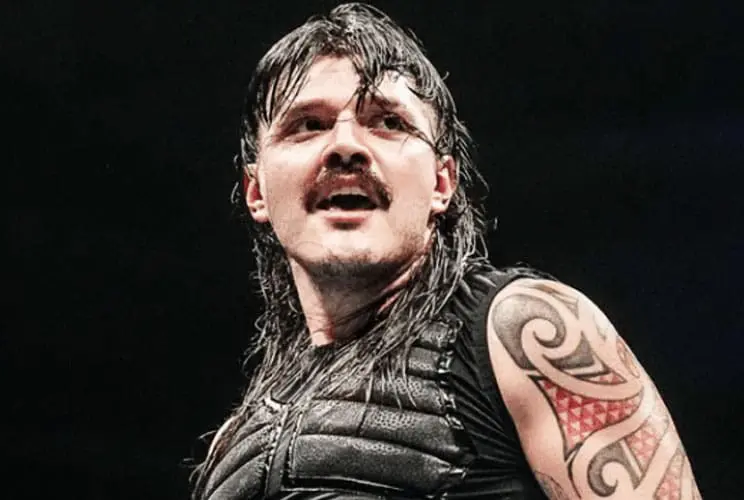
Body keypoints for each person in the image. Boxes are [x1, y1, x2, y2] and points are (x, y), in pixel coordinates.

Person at [192, 3, 701, 499]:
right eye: (308, 124)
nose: (346, 146)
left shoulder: (529, 333)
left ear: (443, 183)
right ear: (256, 191)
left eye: (389, 122)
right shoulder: (235, 441)